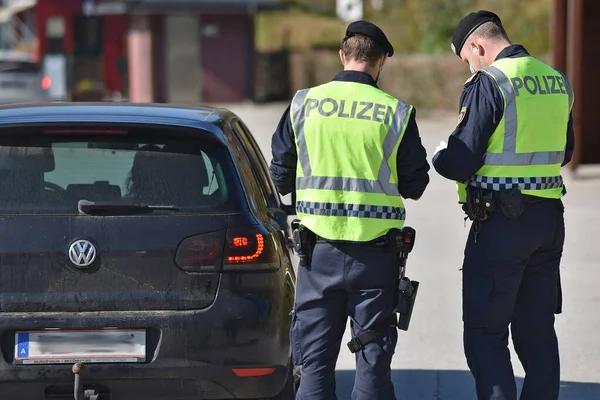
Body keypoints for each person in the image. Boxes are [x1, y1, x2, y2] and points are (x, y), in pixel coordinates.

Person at [269, 21, 430, 400]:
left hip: (317, 255)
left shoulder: (303, 103)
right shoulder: (396, 113)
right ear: (382, 60)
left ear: (343, 55)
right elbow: (416, 185)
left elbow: (279, 174)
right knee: (373, 362)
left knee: (314, 366)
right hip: (375, 259)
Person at [432, 10, 574, 400]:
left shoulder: (491, 82)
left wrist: (440, 155)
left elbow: (461, 159)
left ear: (477, 45)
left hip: (501, 225)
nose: (470, 66)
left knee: (485, 332)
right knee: (537, 330)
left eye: (467, 58)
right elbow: (565, 151)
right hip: (548, 221)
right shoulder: (556, 79)